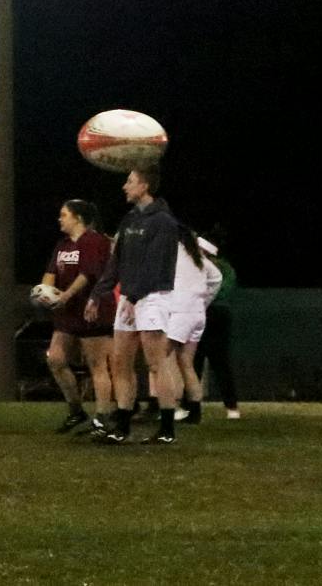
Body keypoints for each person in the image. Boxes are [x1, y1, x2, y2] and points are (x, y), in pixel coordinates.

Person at [87, 166, 183, 445]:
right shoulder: (129, 220)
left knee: (155, 363)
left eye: (130, 181)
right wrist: (98, 294)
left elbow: (153, 266)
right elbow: (116, 263)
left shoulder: (164, 222)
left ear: (145, 187)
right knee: (120, 362)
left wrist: (133, 297)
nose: (124, 187)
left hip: (153, 297)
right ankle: (123, 426)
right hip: (130, 297)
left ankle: (166, 429)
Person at [40, 199, 115, 434]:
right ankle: (76, 410)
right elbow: (50, 273)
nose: (59, 219)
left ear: (78, 218)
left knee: (97, 365)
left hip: (92, 309)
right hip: (67, 313)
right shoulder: (62, 245)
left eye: (64, 215)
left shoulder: (95, 241)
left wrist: (66, 295)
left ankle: (102, 416)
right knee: (56, 359)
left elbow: (88, 274)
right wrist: (45, 292)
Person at [163, 223, 221, 425]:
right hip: (197, 314)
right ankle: (195, 412)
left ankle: (173, 408)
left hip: (179, 313)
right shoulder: (198, 258)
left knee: (162, 360)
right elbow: (217, 278)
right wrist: (203, 300)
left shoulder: (173, 255)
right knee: (186, 363)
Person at [191, 231, 242, 420]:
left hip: (209, 313)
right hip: (221, 314)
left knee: (196, 361)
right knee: (219, 363)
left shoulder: (205, 267)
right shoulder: (227, 268)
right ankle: (231, 407)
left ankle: (191, 406)